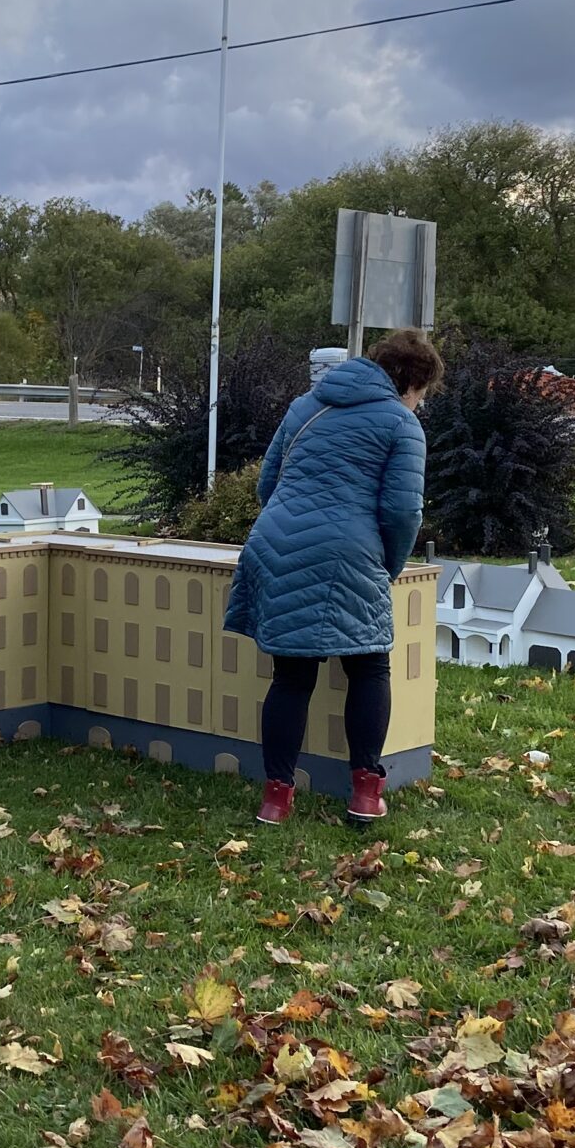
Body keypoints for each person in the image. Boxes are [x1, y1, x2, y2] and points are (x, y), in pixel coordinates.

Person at [224, 329, 442, 827]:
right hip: (349, 551)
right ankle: (365, 794)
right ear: (412, 383)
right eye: (423, 394)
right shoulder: (401, 424)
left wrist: (296, 527)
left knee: (291, 676)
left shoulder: (305, 406)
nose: (421, 403)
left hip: (276, 543)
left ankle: (276, 800)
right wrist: (387, 565)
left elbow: (268, 483)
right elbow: (402, 512)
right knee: (369, 667)